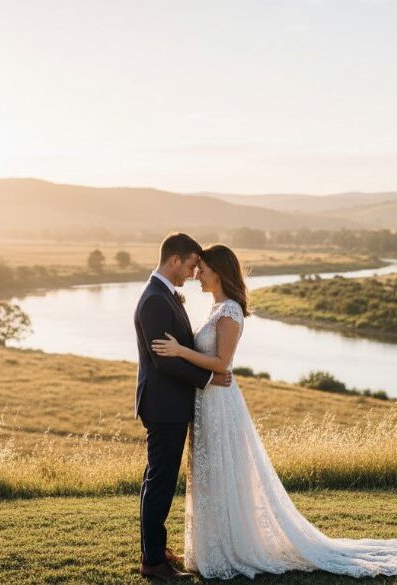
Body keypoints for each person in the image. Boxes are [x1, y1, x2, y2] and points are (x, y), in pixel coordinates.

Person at [150, 243, 397, 579]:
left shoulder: (230, 311)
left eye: (203, 270)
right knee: (209, 477)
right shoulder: (216, 307)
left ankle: (232, 548)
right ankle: (211, 548)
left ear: (219, 272)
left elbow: (222, 363)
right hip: (206, 399)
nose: (197, 276)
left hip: (219, 402)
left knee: (222, 472)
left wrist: (180, 351)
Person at [133, 232, 232, 580]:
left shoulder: (163, 295)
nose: (193, 274)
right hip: (164, 406)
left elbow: (176, 350)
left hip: (168, 404)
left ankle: (155, 550)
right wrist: (208, 378)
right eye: (191, 266)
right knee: (160, 482)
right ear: (175, 260)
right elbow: (164, 361)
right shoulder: (155, 300)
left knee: (156, 479)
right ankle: (153, 563)